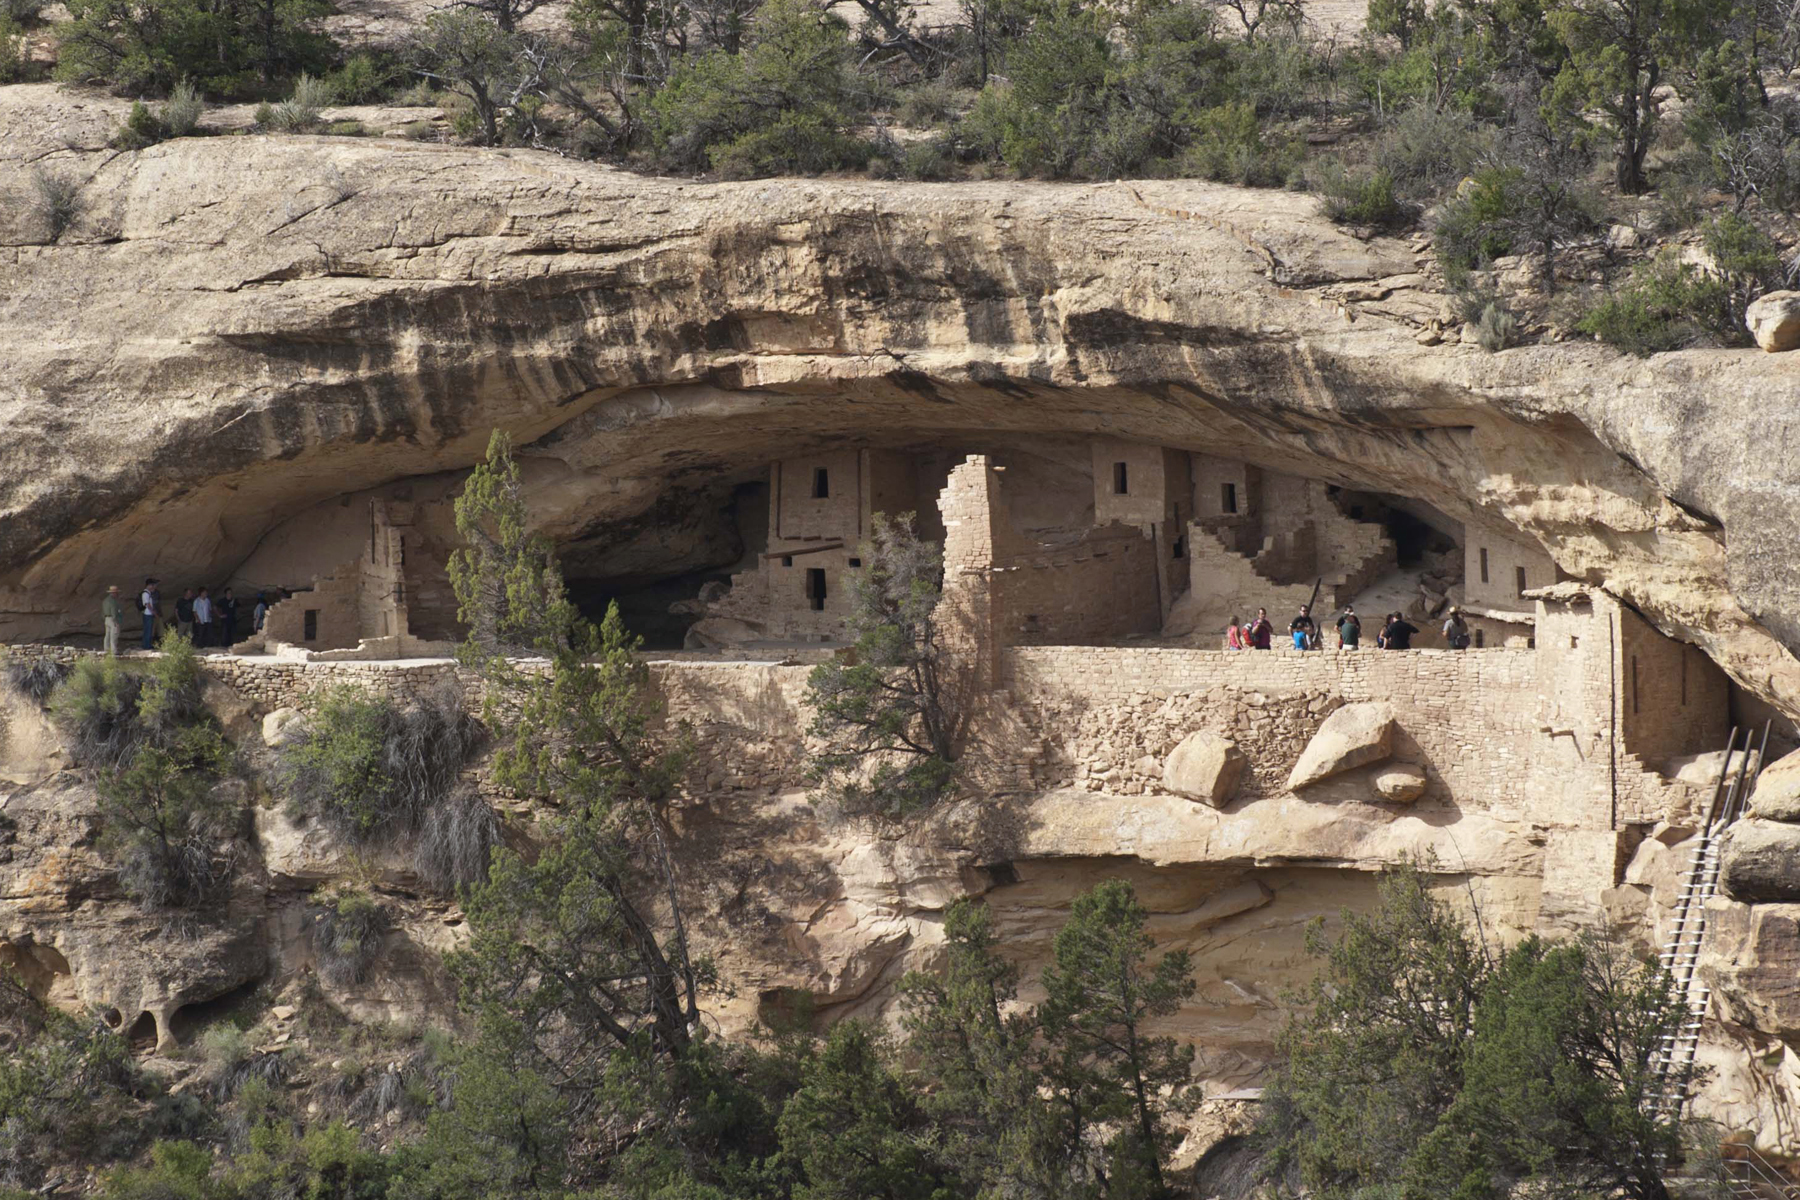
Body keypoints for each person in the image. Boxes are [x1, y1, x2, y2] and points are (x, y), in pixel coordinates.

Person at [102, 585, 122, 657]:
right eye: (116, 593)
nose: (117, 594)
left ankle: (106, 649)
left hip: (107, 619)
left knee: (107, 635)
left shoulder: (105, 600)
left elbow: (103, 611)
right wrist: (115, 621)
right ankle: (114, 650)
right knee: (114, 635)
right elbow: (114, 611)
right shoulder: (113, 601)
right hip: (112, 619)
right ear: (114, 593)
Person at [139, 577, 160, 650]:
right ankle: (146, 646)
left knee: (149, 630)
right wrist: (154, 612)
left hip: (149, 614)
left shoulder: (148, 593)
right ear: (149, 585)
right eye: (153, 585)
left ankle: (148, 644)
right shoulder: (145, 594)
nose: (154, 586)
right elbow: (147, 604)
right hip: (147, 614)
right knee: (148, 630)